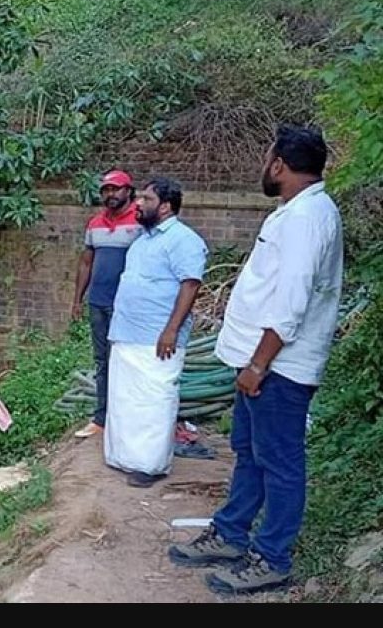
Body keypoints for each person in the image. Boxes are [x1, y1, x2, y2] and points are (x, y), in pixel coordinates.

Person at [169, 125, 343, 595]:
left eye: (266, 158)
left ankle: (271, 558)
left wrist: (259, 365)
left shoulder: (308, 219)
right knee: (251, 453)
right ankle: (230, 534)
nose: (262, 166)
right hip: (262, 363)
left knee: (281, 461)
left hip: (278, 368)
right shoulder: (296, 212)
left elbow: (291, 301)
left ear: (280, 165)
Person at [104, 177, 208, 488]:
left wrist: (171, 330)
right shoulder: (143, 240)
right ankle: (124, 457)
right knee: (126, 400)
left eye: (146, 199)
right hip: (128, 333)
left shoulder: (183, 239)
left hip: (158, 337)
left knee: (153, 401)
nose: (138, 204)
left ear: (165, 206)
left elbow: (190, 285)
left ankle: (149, 465)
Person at [72, 170, 143, 439]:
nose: (110, 195)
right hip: (98, 304)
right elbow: (86, 262)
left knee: (127, 359)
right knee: (102, 361)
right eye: (106, 190)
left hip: (127, 306)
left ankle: (126, 417)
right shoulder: (95, 224)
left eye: (116, 189)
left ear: (128, 191)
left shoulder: (139, 222)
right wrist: (78, 299)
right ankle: (102, 419)